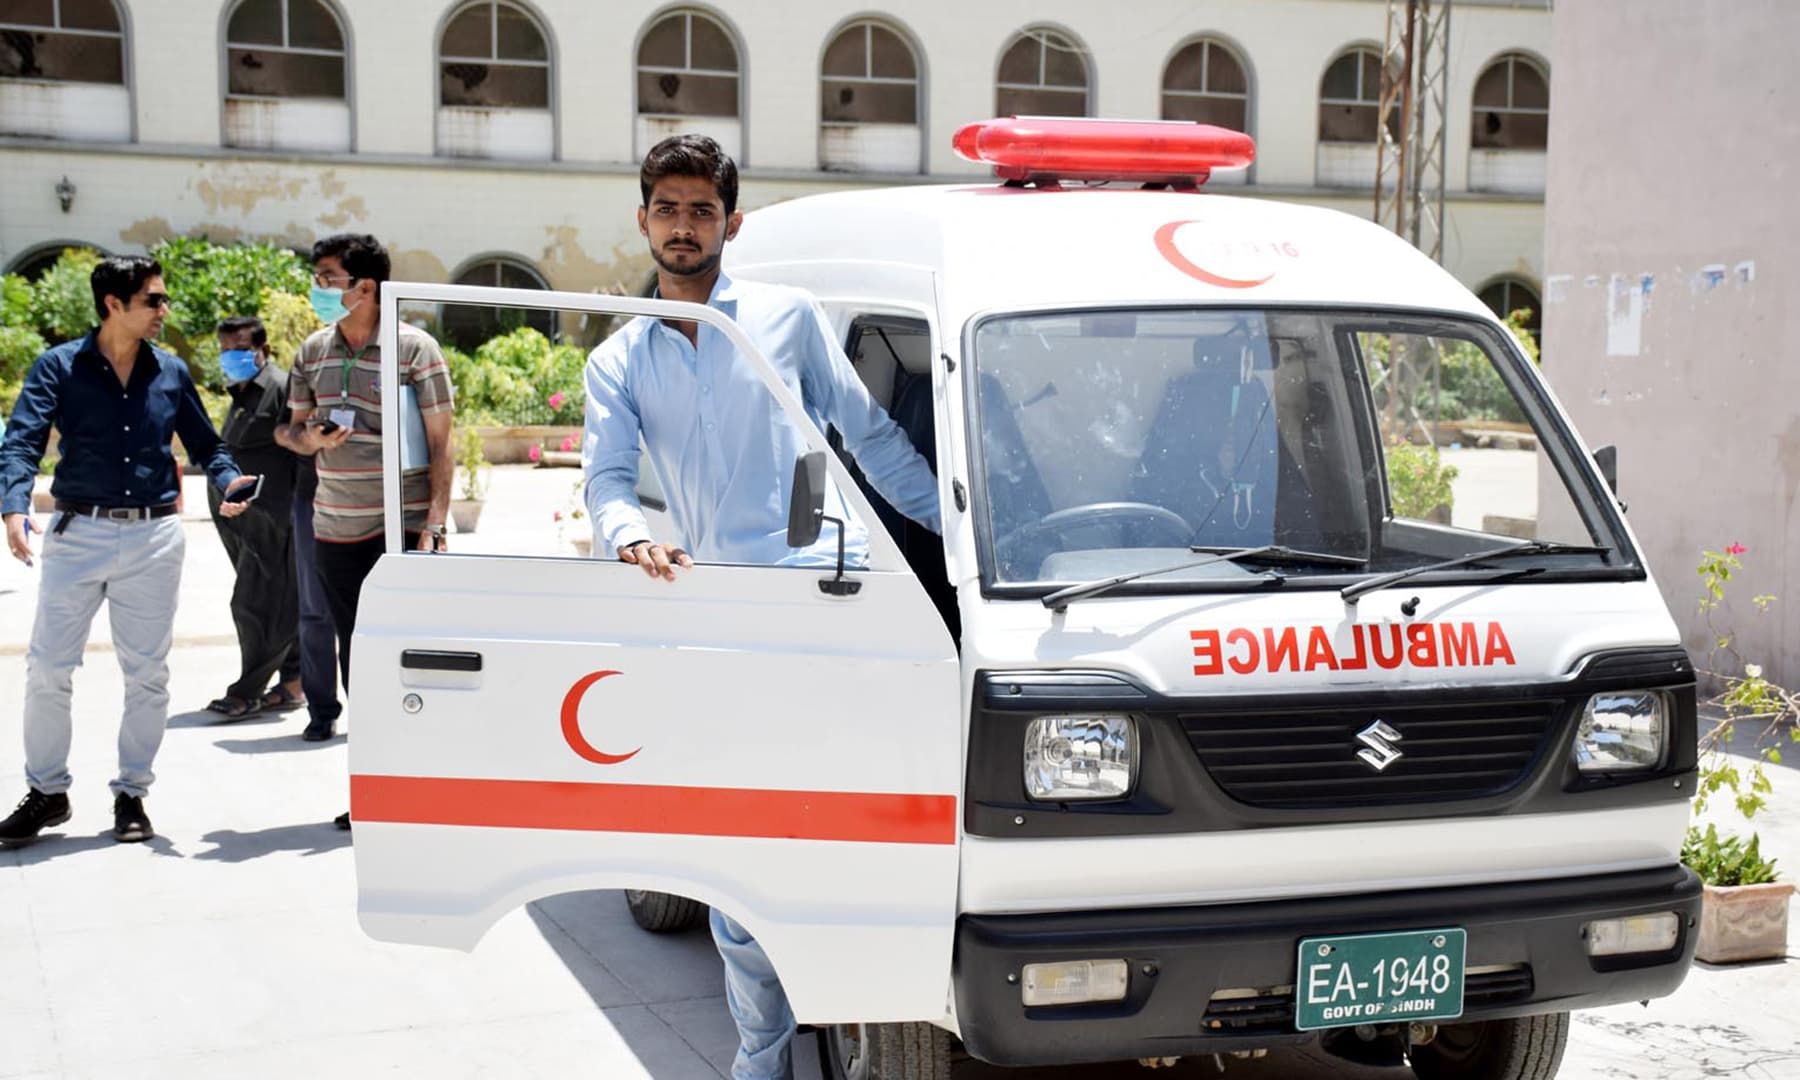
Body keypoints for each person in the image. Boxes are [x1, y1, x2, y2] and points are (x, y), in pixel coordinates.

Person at [583, 135, 940, 1080]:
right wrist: (626, 534)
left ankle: (873, 1024)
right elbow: (608, 480)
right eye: (669, 207)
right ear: (644, 217)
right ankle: (763, 1056)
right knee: (737, 858)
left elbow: (868, 437)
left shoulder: (788, 317)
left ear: (730, 223)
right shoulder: (618, 357)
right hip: (719, 624)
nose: (685, 226)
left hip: (833, 606)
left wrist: (958, 529)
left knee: (855, 833)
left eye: (703, 210)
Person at [0, 255, 257, 847]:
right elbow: (21, 443)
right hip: (76, 534)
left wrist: (230, 483)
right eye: (154, 300)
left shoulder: (169, 372)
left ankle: (132, 794)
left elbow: (208, 447)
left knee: (147, 675)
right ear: (114, 304)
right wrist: (14, 506)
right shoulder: (57, 367)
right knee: (46, 669)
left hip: (152, 538)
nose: (165, 310)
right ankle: (47, 792)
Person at [276, 234, 454, 826]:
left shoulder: (413, 348)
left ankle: (425, 789)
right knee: (360, 663)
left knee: (409, 662)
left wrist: (433, 522)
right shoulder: (313, 352)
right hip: (334, 529)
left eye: (327, 277)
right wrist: (310, 441)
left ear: (365, 287)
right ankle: (375, 796)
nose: (318, 289)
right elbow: (288, 431)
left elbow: (441, 440)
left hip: (400, 528)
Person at [202, 316, 303, 721]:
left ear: (263, 350)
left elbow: (299, 450)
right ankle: (293, 683)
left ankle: (247, 691)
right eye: (225, 348)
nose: (231, 356)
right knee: (279, 602)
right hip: (242, 520)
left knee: (253, 604)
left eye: (240, 348)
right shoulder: (241, 392)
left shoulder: (279, 388)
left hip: (274, 517)